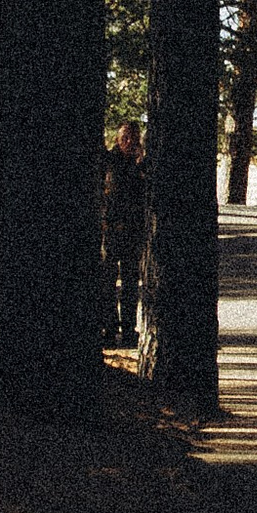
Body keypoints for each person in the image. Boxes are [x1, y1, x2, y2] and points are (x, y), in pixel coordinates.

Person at [100, 119, 146, 346]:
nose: (128, 141)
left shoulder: (142, 165)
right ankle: (109, 327)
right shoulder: (108, 161)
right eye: (124, 137)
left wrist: (140, 165)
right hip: (110, 230)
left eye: (132, 138)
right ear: (117, 138)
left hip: (133, 232)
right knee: (107, 281)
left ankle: (128, 329)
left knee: (130, 283)